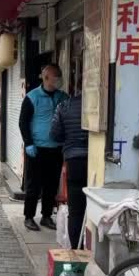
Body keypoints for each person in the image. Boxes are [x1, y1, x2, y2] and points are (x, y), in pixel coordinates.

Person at [18, 64, 69, 231]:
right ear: (46, 78)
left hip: (56, 149)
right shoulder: (32, 97)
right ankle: (29, 216)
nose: (59, 80)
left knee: (51, 185)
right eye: (57, 77)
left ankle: (46, 216)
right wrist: (29, 143)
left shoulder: (63, 97)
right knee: (34, 185)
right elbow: (23, 122)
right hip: (37, 149)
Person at [50, 83, 88, 249]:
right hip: (98, 161)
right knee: (95, 209)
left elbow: (55, 134)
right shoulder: (104, 103)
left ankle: (76, 251)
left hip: (74, 160)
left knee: (76, 211)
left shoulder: (64, 106)